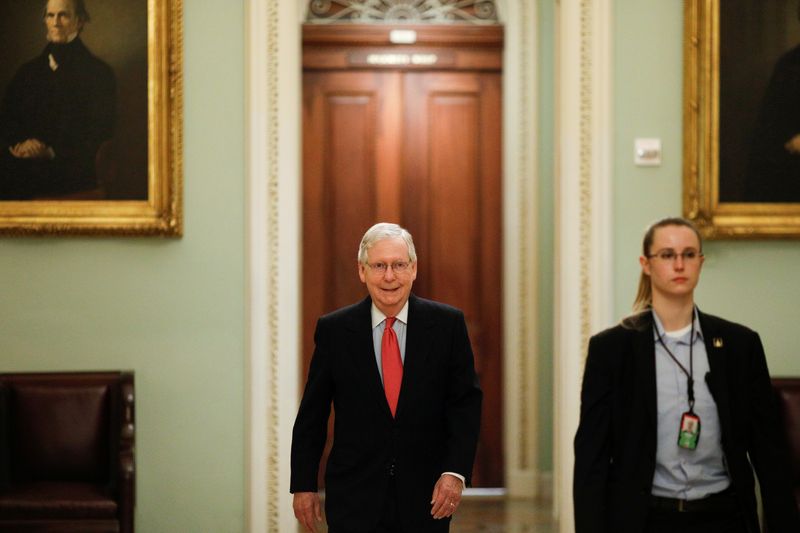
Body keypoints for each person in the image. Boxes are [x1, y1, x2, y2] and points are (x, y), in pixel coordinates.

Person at [573, 217, 800, 533]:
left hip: (723, 516)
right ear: (646, 264)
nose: (679, 264)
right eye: (667, 255)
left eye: (689, 254)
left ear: (700, 262)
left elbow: (768, 451)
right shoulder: (612, 350)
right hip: (645, 518)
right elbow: (591, 458)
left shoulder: (739, 345)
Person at [290, 222, 482, 533]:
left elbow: (465, 405)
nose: (389, 276)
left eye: (398, 265)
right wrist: (303, 484)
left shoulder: (448, 326)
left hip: (427, 496)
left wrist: (455, 473)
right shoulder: (335, 331)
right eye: (379, 265)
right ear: (362, 271)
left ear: (414, 269)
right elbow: (312, 413)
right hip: (353, 496)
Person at [0, 0, 115, 200]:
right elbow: (8, 119)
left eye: (63, 15)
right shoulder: (27, 72)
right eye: (50, 15)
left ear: (79, 22)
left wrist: (50, 151)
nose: (55, 22)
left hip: (71, 168)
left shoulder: (99, 73)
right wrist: (21, 145)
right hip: (23, 162)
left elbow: (101, 129)